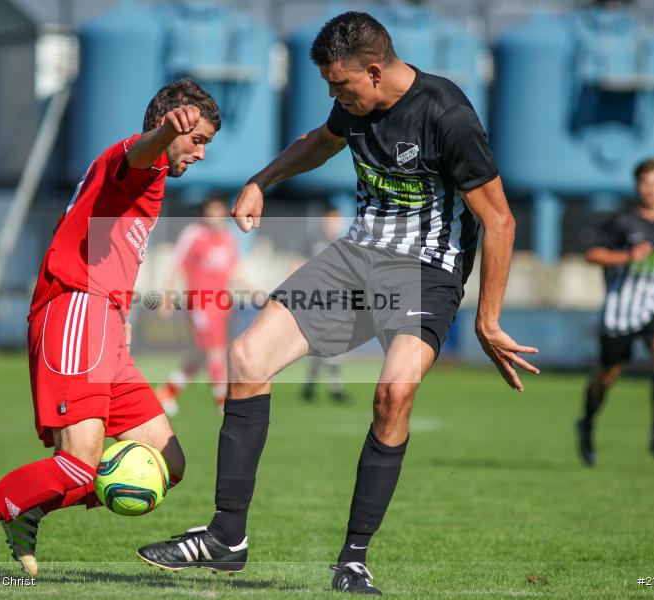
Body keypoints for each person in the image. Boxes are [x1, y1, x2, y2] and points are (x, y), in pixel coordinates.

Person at [137, 12, 538, 595]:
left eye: (339, 84)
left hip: (426, 272)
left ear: (374, 71)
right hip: (355, 259)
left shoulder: (446, 116)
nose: (332, 94)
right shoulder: (354, 106)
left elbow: (499, 218)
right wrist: (260, 181)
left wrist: (488, 317)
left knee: (393, 395)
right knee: (247, 359)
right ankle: (226, 539)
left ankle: (353, 559)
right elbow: (319, 144)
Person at [0, 79, 220, 582]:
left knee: (170, 460)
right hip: (77, 308)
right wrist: (167, 134)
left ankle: (29, 511)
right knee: (79, 463)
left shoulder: (155, 175)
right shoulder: (144, 159)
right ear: (171, 127)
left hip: (106, 326)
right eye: (199, 139)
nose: (203, 152)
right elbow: (139, 155)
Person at [577, 158, 654, 466]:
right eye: (646, 184)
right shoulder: (622, 222)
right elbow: (592, 254)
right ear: (638, 188)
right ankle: (587, 422)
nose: (652, 190)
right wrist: (627, 255)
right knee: (608, 376)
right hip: (621, 310)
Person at [156, 195, 238, 415]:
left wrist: (257, 292)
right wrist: (168, 296)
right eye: (211, 211)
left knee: (200, 355)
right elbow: (176, 265)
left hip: (220, 304)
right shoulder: (193, 234)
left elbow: (233, 270)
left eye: (219, 211)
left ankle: (168, 392)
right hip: (200, 303)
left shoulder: (227, 238)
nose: (215, 216)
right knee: (215, 351)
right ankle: (223, 402)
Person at [300, 206, 348, 403]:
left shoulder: (346, 243)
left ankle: (332, 387)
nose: (333, 224)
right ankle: (316, 386)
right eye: (330, 220)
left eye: (336, 220)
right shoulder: (313, 241)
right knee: (317, 343)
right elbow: (298, 264)